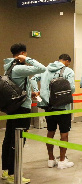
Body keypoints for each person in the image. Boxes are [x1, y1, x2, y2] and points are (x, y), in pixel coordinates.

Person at [2, 43, 46, 183]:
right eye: (25, 54)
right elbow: (42, 68)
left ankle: (6, 171)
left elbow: (18, 86)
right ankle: (14, 174)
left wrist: (30, 93)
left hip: (14, 108)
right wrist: (27, 59)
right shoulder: (19, 67)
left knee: (9, 138)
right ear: (22, 53)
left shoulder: (8, 67)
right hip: (22, 108)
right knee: (19, 140)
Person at [31, 54, 75, 169]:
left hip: (48, 106)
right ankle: (62, 161)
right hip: (63, 107)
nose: (68, 65)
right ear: (66, 61)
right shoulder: (68, 71)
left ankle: (51, 159)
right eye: (68, 63)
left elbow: (33, 79)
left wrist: (36, 91)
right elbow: (72, 88)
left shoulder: (45, 69)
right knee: (64, 134)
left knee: (50, 132)